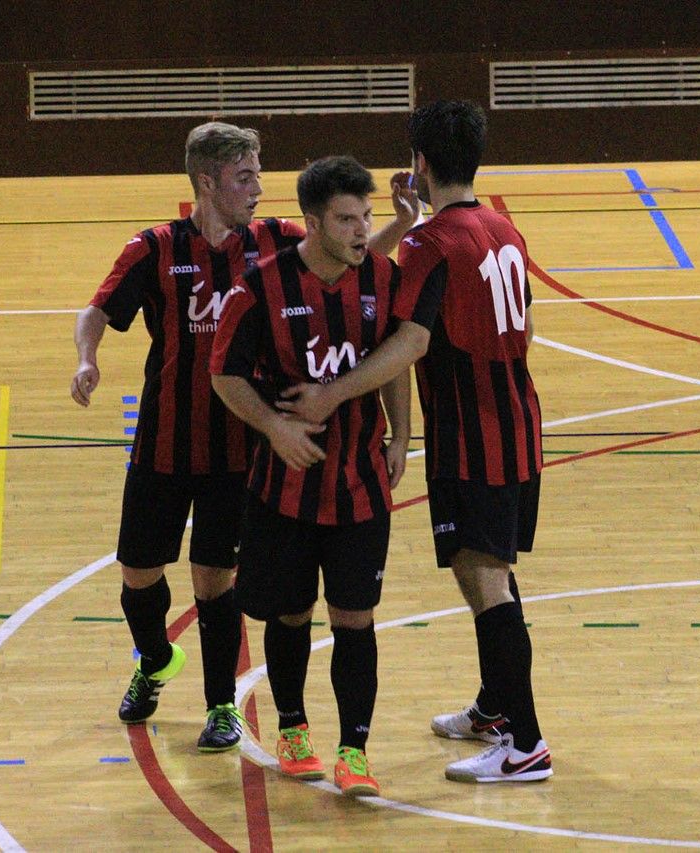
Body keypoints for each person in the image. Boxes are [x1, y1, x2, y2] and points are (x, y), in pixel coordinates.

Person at [72, 123, 417, 752]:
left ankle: (221, 705)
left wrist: (395, 224)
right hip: (165, 441)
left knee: (214, 579)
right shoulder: (154, 247)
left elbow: (346, 251)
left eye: (259, 174)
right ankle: (154, 660)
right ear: (207, 183)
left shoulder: (274, 238)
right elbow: (95, 311)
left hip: (242, 448)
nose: (259, 189)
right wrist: (86, 359)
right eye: (245, 177)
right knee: (139, 573)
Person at [275, 101, 552, 783]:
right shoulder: (503, 228)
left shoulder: (433, 245)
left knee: (487, 581)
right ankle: (496, 705)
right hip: (518, 421)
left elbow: (411, 337)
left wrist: (332, 393)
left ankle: (527, 745)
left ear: (420, 162)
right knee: (483, 566)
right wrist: (406, 221)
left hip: (471, 433)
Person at [210, 155, 412, 797]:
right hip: (284, 486)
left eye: (367, 217)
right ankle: (293, 728)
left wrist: (403, 432)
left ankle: (355, 750)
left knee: (356, 617)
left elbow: (393, 360)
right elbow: (224, 375)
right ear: (313, 222)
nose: (361, 230)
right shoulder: (260, 288)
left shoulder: (384, 278)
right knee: (291, 614)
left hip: (361, 485)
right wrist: (274, 426)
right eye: (346, 219)